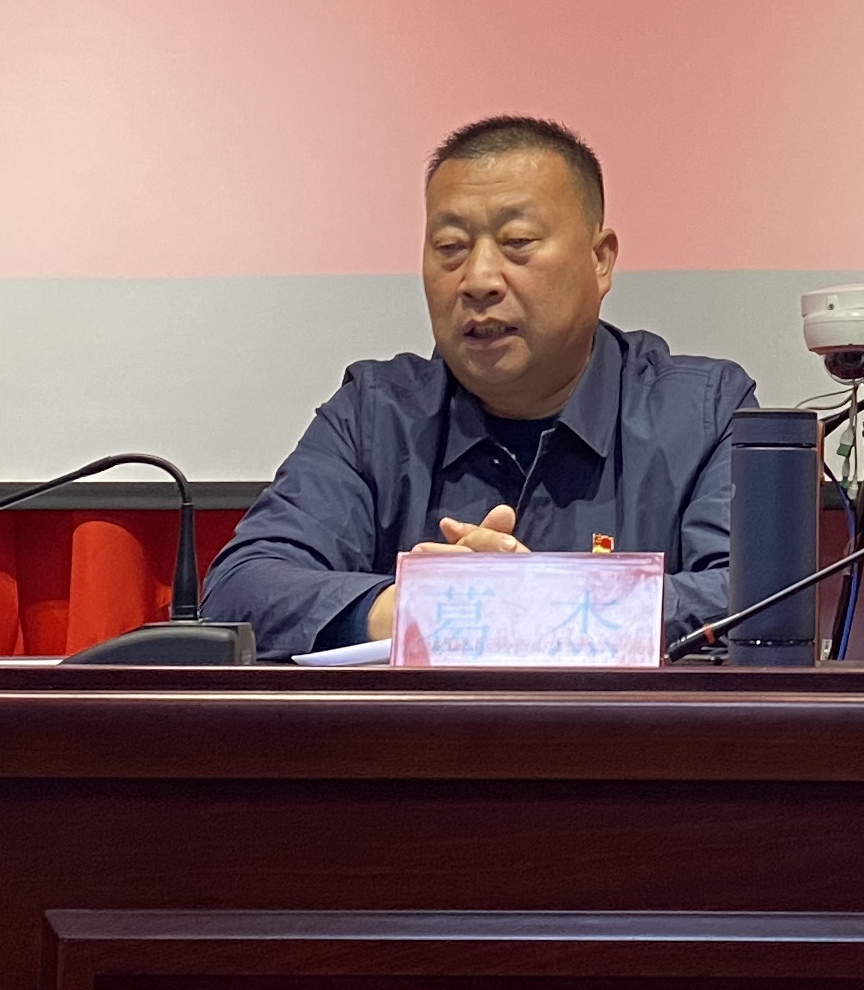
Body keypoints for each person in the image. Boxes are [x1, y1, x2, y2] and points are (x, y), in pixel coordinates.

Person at [200, 115, 759, 658]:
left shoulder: (705, 413)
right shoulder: (374, 415)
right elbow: (241, 586)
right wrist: (420, 607)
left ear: (599, 260)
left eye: (517, 241)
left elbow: (758, 595)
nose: (479, 280)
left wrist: (535, 602)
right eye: (450, 247)